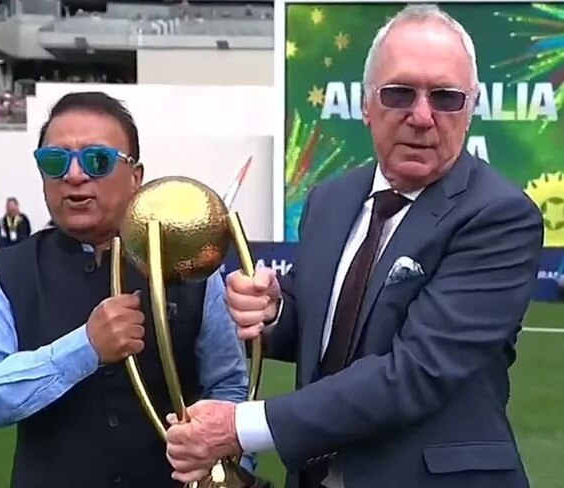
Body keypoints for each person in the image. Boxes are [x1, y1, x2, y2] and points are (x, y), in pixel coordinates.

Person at [164, 5, 543, 488]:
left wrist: (239, 426)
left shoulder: (500, 216)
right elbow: (330, 328)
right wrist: (276, 312)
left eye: (445, 97)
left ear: (470, 108)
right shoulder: (331, 199)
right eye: (399, 92)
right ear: (366, 103)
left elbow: (416, 372)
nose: (422, 116)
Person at [0, 91, 253, 488]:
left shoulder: (190, 270)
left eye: (96, 160)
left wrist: (227, 466)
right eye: (55, 161)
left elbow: (228, 383)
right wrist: (84, 349)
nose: (74, 176)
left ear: (136, 177)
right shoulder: (0, 274)